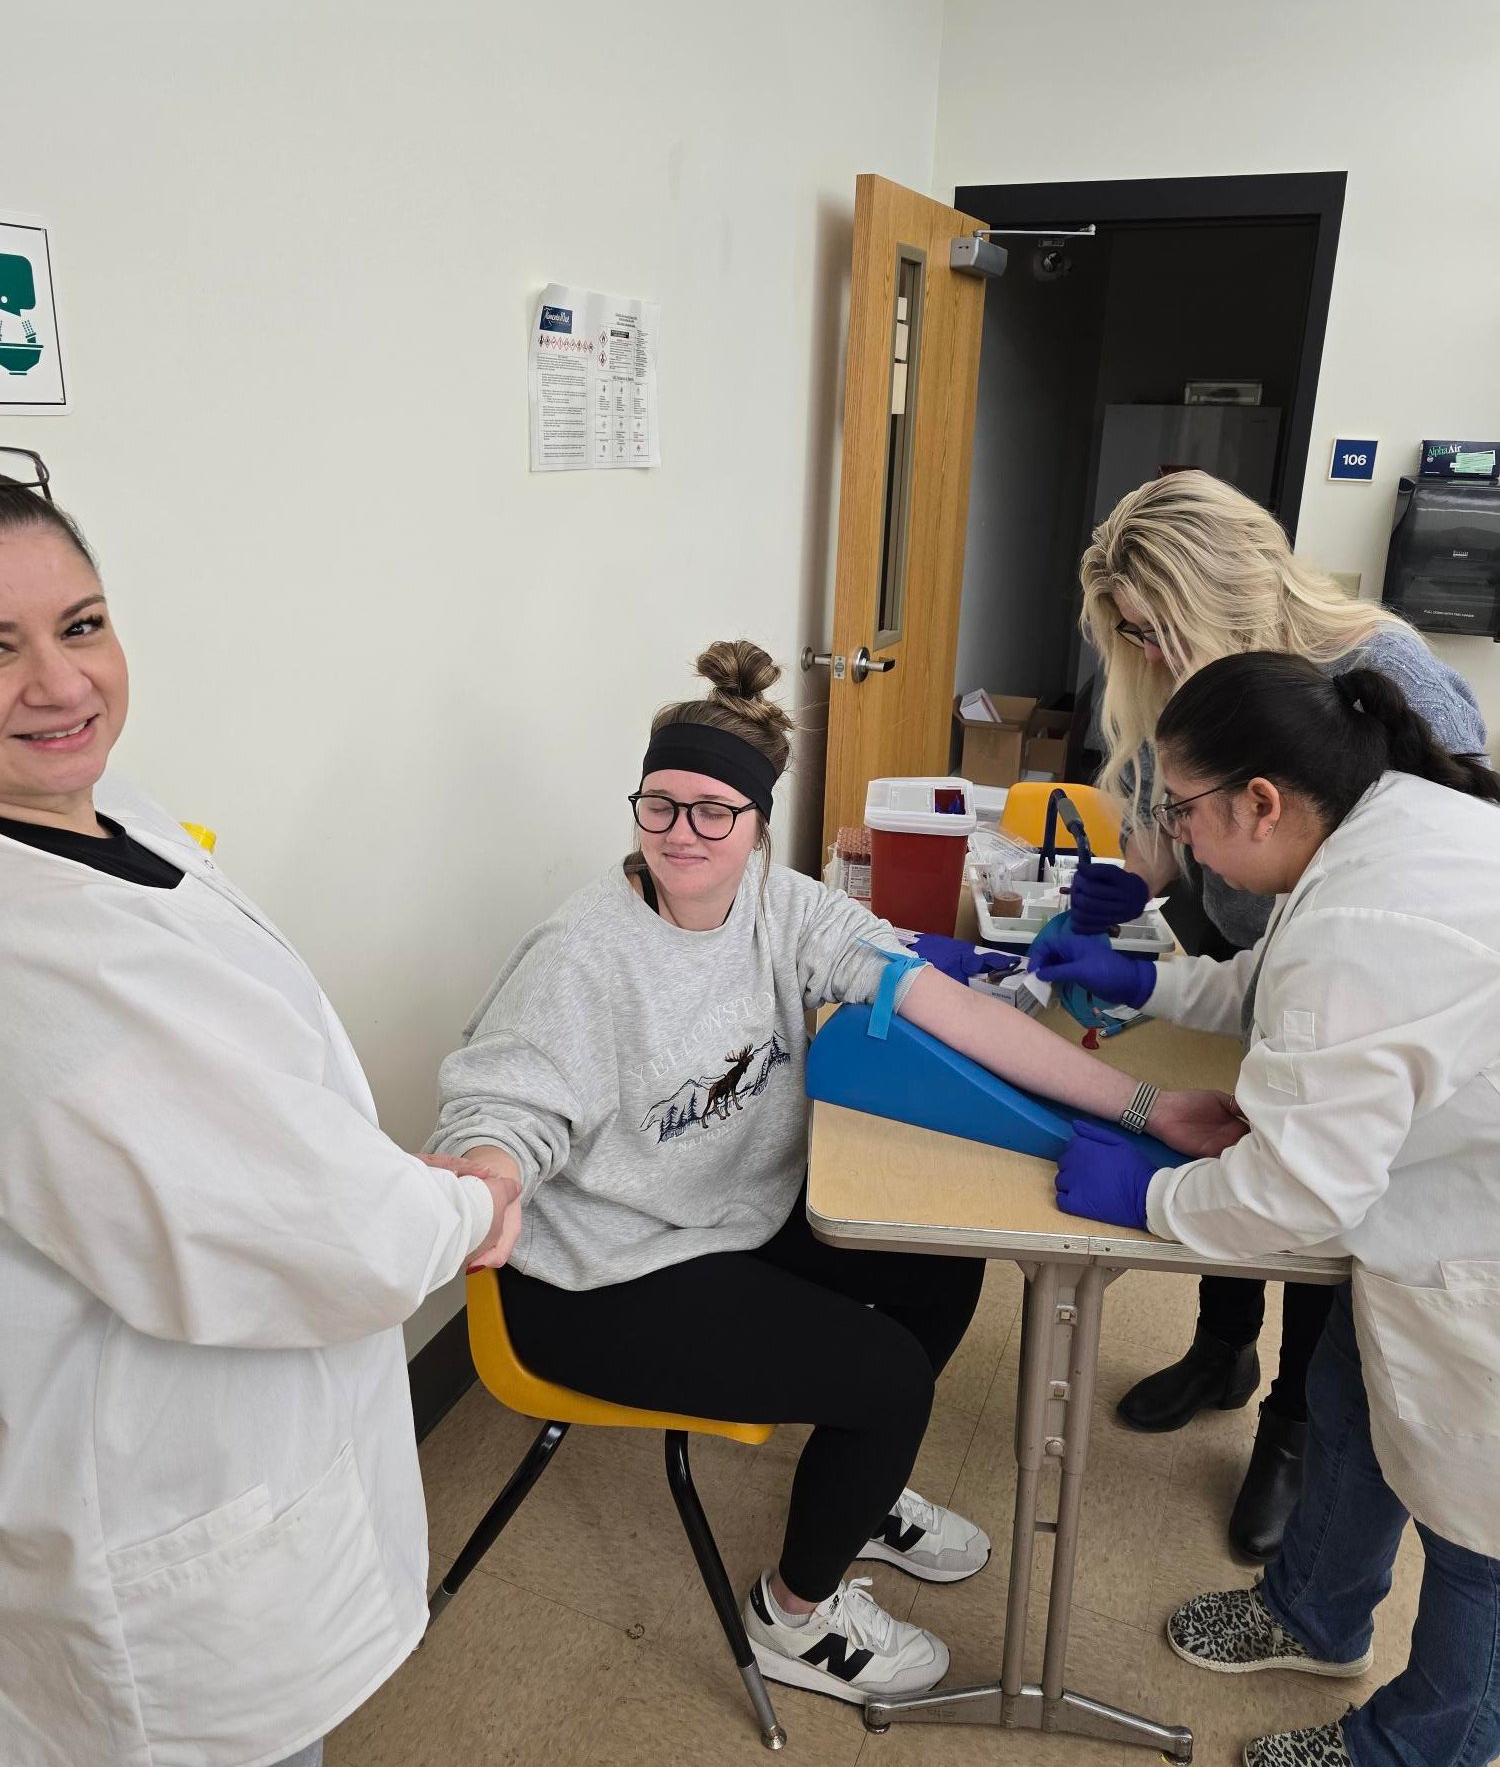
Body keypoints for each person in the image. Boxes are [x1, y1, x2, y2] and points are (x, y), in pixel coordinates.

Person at [427, 639, 1243, 1707]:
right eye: (660, 804)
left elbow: (943, 1005)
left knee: (939, 1266)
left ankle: (864, 1489)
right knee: (884, 1375)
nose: (683, 832)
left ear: (760, 824)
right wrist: (486, 1177)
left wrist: (1148, 1105)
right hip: (596, 1271)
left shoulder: (784, 906)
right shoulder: (583, 953)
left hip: (726, 1215)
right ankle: (793, 1613)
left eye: (715, 809)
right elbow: (503, 1106)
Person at [0, 453, 521, 1767]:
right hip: (158, 1522)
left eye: (82, 624)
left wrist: (377, 1182)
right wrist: (467, 1204)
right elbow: (315, 1226)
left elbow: (252, 1128)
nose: (60, 684)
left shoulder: (108, 810)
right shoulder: (30, 962)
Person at [1035, 651, 1500, 1767]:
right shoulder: (1376, 821)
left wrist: (1151, 1194)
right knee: (1348, 1402)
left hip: (1477, 1243)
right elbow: (1275, 983)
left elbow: (1298, 1190)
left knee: (1481, 1527)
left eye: (1186, 810)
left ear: (1262, 799)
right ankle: (1314, 1613)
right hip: (1434, 1200)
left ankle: (1416, 1746)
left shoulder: (1373, 914)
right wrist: (1153, 980)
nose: (1179, 836)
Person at [1073, 469, 1486, 1561]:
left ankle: (1287, 1434)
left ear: (1221, 592)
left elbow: (1317, 1164)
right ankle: (1221, 1348)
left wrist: (1159, 1200)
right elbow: (1178, 823)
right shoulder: (1187, 685)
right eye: (1128, 636)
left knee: (1309, 1198)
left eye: (1154, 630)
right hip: (1272, 954)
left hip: (1372, 1004)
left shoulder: (1383, 682)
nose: (1145, 655)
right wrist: (1144, 891)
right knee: (1241, 1125)